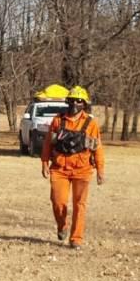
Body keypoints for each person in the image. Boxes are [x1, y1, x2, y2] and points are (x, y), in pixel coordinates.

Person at [41, 85, 105, 250]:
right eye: (71, 100)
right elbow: (48, 143)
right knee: (58, 201)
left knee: (80, 204)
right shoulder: (57, 120)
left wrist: (100, 170)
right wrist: (44, 163)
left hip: (82, 170)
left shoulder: (91, 124)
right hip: (59, 169)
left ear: (84, 104)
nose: (74, 104)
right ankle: (62, 226)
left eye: (79, 101)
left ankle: (76, 238)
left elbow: (97, 148)